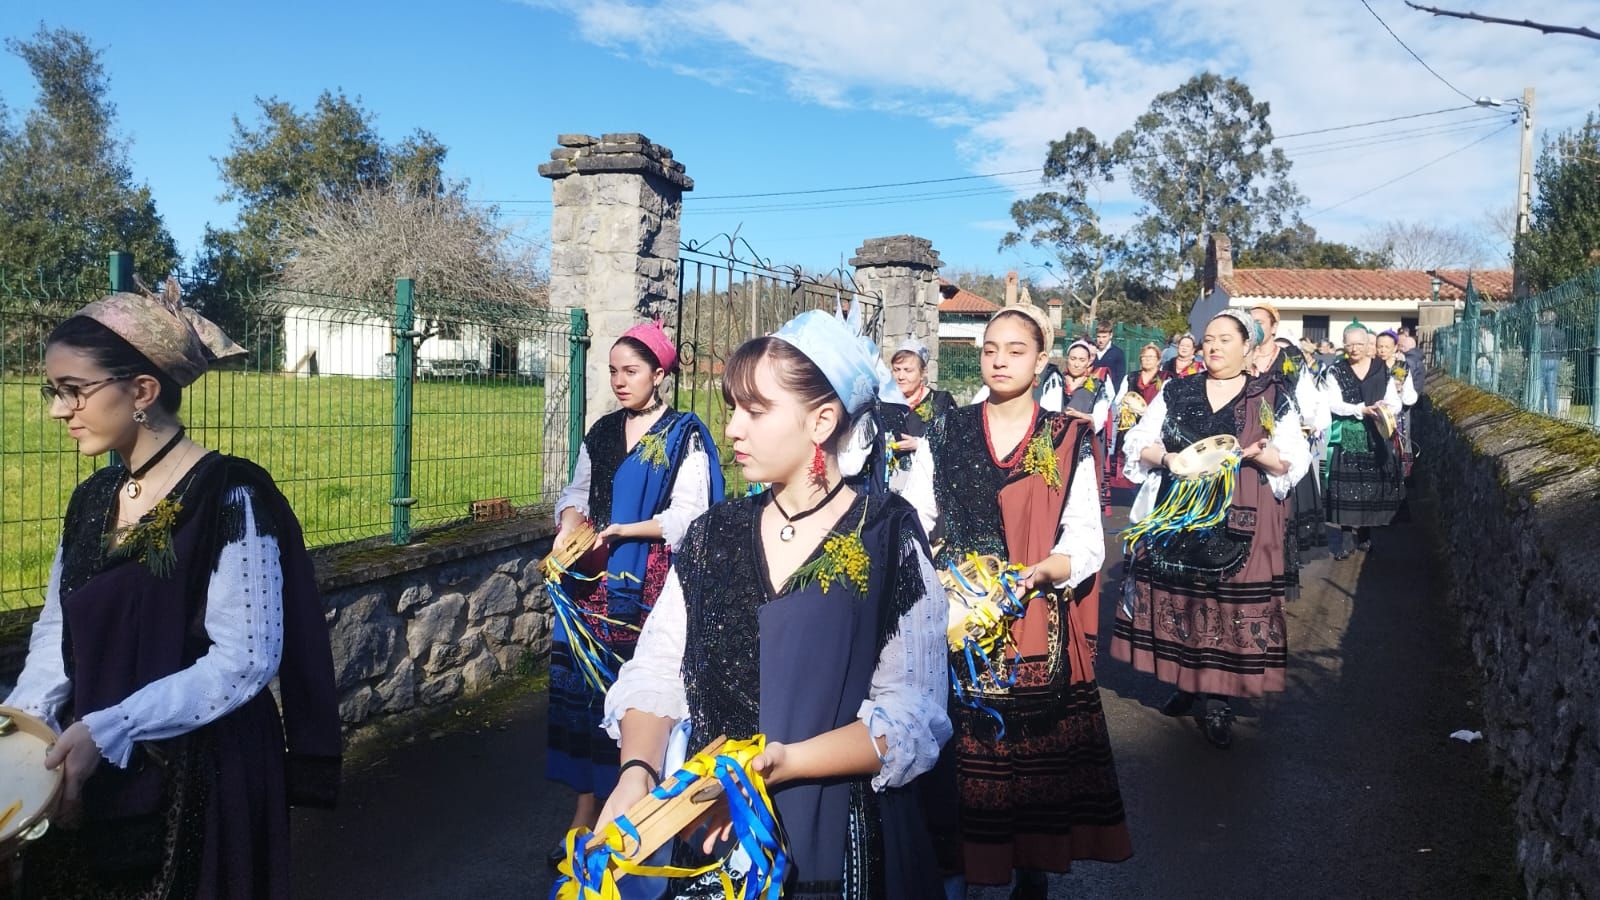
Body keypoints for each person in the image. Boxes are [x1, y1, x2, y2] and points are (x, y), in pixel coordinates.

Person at [598, 309, 950, 898]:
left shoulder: (885, 534)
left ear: (821, 420)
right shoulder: (713, 535)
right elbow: (659, 668)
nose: (732, 429)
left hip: (834, 843)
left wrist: (782, 764)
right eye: (734, 408)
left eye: (755, 411)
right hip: (709, 832)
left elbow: (913, 713)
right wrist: (637, 771)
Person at [6, 280, 340, 898]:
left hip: (205, 772)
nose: (59, 410)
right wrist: (26, 730)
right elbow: (59, 629)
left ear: (142, 391)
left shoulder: (230, 495)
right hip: (92, 757)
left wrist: (111, 729)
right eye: (53, 392)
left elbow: (245, 660)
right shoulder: (91, 501)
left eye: (73, 391)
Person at [902, 304, 1130, 899]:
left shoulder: (1067, 435)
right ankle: (963, 869)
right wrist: (942, 584)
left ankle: (1029, 867)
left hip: (1032, 618)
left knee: (1027, 758)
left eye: (1016, 349)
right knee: (958, 750)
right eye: (989, 349)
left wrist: (1037, 575)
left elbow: (1083, 538)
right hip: (954, 618)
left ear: (1041, 360)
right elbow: (915, 520)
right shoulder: (946, 431)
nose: (1000, 359)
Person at [547, 321, 724, 865]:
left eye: (631, 371)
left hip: (649, 582)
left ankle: (639, 809)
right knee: (582, 693)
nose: (620, 382)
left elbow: (691, 514)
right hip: (590, 579)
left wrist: (628, 529)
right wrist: (569, 525)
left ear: (660, 374)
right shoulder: (600, 432)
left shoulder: (684, 433)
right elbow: (578, 490)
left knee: (633, 696)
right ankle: (583, 809)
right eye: (613, 372)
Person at [1112, 309, 1311, 749]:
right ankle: (1188, 682)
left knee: (1224, 603)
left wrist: (1259, 454)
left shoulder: (1271, 394)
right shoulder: (1177, 390)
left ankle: (1218, 697)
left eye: (1225, 339)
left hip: (1241, 509)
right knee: (1181, 596)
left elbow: (1292, 458)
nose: (1215, 346)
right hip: (1178, 510)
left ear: (1248, 345)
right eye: (1208, 339)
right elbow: (1139, 442)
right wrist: (1168, 460)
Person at [1249, 304, 1329, 600]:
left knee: (1280, 518)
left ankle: (1273, 586)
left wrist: (1298, 427)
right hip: (1246, 444)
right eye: (1250, 321)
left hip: (1281, 445)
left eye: (1259, 322)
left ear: (1273, 327)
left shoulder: (1290, 359)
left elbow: (1309, 403)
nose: (1253, 326)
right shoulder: (1240, 356)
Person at [1320, 322, 1402, 559]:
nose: (1354, 349)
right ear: (1343, 345)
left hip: (1376, 433)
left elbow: (1394, 401)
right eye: (1350, 344)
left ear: (1368, 345)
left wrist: (1385, 408)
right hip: (1347, 433)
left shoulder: (1381, 369)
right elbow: (1333, 403)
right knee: (1346, 488)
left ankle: (1365, 534)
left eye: (1359, 344)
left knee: (1369, 486)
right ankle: (1346, 538)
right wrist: (1360, 409)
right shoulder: (1336, 371)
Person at [882, 337, 957, 493]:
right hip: (889, 487)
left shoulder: (940, 402)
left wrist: (919, 445)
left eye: (908, 370)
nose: (901, 376)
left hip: (926, 487)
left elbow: (953, 443)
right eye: (897, 370)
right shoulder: (884, 402)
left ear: (923, 372)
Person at [1109, 343, 1165, 492]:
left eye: (1151, 357)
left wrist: (1145, 412)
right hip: (1131, 426)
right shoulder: (1131, 377)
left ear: (1158, 360)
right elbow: (1119, 400)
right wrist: (1126, 407)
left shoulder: (1165, 379)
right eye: (1144, 357)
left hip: (1154, 427)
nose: (1147, 360)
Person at [1536, 309, 1565, 416]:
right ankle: (1553, 412)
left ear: (1545, 319)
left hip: (1542, 359)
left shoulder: (1539, 331)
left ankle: (1538, 410)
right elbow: (1563, 350)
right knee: (1552, 387)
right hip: (1555, 360)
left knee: (1539, 386)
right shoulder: (1560, 333)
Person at [1093, 322, 1126, 390]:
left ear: (1111, 335)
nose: (1101, 340)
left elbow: (1120, 378)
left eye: (1104, 337)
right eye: (1098, 337)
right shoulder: (1091, 351)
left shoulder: (1118, 353)